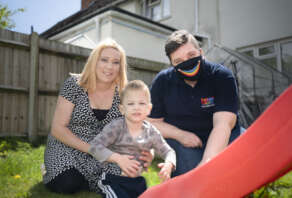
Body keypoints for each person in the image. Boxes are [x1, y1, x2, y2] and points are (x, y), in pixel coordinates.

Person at [43, 39, 153, 194]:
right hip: (68, 145)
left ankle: (95, 179)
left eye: (115, 62)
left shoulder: (123, 94)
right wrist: (103, 153)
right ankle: (51, 169)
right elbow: (58, 129)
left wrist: (145, 152)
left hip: (104, 150)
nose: (109, 67)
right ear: (94, 61)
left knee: (128, 175)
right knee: (67, 183)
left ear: (120, 67)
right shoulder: (74, 85)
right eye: (104, 60)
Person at [148, 30, 242, 177]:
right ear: (172, 64)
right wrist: (180, 135)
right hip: (182, 140)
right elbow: (152, 122)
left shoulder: (222, 76)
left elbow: (223, 124)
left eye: (191, 55)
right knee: (192, 168)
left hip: (224, 133)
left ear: (201, 52)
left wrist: (207, 162)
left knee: (241, 161)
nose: (186, 62)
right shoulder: (162, 81)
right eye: (178, 61)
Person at [88, 80, 176, 198]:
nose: (136, 108)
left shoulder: (151, 132)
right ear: (122, 109)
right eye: (131, 104)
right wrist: (117, 158)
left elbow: (169, 151)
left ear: (149, 108)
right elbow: (94, 147)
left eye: (141, 103)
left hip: (137, 181)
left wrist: (169, 164)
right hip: (113, 179)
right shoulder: (116, 127)